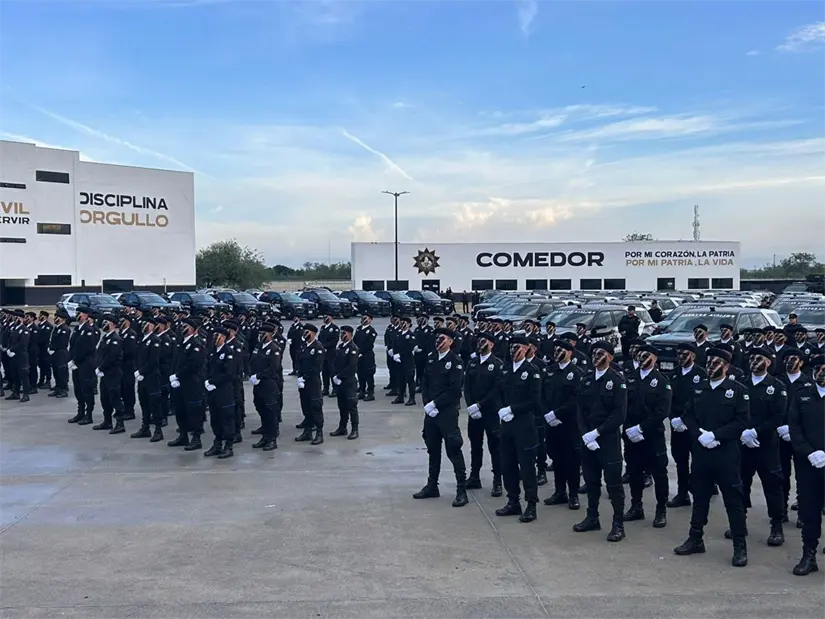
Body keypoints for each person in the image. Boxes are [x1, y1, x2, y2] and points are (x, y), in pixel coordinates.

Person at [675, 347, 750, 567]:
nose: (711, 366)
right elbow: (688, 414)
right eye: (709, 362)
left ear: (726, 367)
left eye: (717, 363)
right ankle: (695, 538)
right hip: (701, 451)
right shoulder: (699, 388)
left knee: (733, 499)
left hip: (725, 452)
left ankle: (739, 546)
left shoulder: (737, 390)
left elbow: (742, 421)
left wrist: (717, 435)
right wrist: (699, 435)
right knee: (699, 496)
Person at [574, 341, 628, 542]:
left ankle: (618, 524)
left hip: (607, 439)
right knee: (591, 481)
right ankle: (592, 517)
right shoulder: (587, 379)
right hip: (588, 440)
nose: (596, 356)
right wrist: (586, 434)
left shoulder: (617, 380)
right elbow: (579, 409)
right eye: (594, 353)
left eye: (601, 353)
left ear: (610, 357)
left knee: (613, 484)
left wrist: (597, 433)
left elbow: (618, 414)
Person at [735, 347, 787, 547]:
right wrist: (743, 433)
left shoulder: (776, 386)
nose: (754, 362)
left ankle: (776, 526)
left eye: (759, 359)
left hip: (766, 446)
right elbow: (735, 413)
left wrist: (755, 432)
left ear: (768, 362)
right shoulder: (741, 385)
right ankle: (740, 524)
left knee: (772, 487)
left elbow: (777, 417)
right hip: (743, 445)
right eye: (752, 359)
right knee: (740, 486)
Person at [413, 327, 468, 508]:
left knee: (453, 449)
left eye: (442, 339)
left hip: (447, 412)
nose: (438, 341)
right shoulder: (431, 359)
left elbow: (454, 391)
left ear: (451, 342)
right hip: (431, 412)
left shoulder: (455, 362)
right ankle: (432, 485)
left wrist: (436, 404)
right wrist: (428, 403)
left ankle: (461, 490)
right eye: (437, 338)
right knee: (432, 449)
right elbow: (425, 383)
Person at [622, 344, 671, 528]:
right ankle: (636, 506)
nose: (641, 358)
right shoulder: (630, 379)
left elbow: (661, 412)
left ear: (655, 359)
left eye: (646, 355)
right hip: (631, 436)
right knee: (634, 472)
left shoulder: (661, 381)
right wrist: (628, 429)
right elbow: (623, 406)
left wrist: (640, 429)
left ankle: (661, 510)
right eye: (640, 355)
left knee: (659, 473)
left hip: (652, 436)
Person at [495, 335, 542, 522]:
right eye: (512, 347)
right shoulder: (505, 369)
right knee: (508, 465)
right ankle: (513, 501)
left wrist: (513, 409)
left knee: (527, 467)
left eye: (518, 348)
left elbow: (534, 400)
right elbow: (498, 391)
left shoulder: (532, 371)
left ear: (527, 349)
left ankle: (531, 505)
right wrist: (501, 409)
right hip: (506, 425)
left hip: (524, 425)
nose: (514, 351)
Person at [788, 354, 825, 575]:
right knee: (810, 511)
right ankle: (809, 555)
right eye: (819, 368)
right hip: (808, 463)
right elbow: (795, 428)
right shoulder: (802, 396)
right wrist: (809, 453)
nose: (823, 372)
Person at [543, 339, 584, 510]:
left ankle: (573, 494)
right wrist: (548, 414)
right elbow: (542, 394)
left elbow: (576, 399)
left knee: (572, 461)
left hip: (569, 423)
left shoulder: (576, 373)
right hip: (551, 423)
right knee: (556, 458)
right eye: (556, 349)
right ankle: (560, 492)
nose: (557, 352)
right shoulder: (549, 371)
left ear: (569, 353)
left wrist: (557, 413)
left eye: (561, 350)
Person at [463, 332, 504, 497]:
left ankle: (497, 480)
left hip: (490, 412)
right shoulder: (472, 363)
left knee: (495, 446)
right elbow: (467, 386)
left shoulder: (497, 364)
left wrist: (480, 405)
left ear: (492, 345)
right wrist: (471, 405)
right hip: (474, 413)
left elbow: (496, 389)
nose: (480, 344)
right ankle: (474, 476)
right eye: (479, 341)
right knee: (475, 446)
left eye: (484, 341)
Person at [667, 343, 706, 508]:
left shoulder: (701, 374)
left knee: (698, 461)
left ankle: (702, 491)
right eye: (678, 354)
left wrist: (684, 419)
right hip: (677, 425)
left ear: (693, 356)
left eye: (685, 354)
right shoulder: (674, 374)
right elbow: (668, 399)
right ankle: (682, 493)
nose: (681, 357)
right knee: (680, 460)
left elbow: (700, 401)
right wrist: (673, 419)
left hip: (694, 424)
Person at [168, 317, 207, 451]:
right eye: (183, 325)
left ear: (194, 330)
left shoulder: (197, 344)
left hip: (192, 383)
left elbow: (194, 365)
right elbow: (176, 361)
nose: (183, 328)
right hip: (179, 383)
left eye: (186, 326)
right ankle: (183, 436)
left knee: (194, 411)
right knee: (180, 410)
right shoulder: (181, 342)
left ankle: (196, 438)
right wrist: (174, 376)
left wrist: (178, 376)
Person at [204, 326, 237, 459]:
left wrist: (213, 382)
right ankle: (217, 443)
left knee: (227, 418)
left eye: (218, 335)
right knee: (215, 418)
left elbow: (229, 373)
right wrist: (207, 381)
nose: (215, 338)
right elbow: (207, 368)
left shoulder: (228, 352)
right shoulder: (212, 352)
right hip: (212, 391)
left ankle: (228, 446)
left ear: (224, 337)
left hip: (224, 391)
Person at [130, 316, 164, 442]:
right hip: (141, 378)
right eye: (144, 323)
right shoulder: (142, 339)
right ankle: (145, 428)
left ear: (152, 326)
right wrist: (137, 370)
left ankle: (158, 430)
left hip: (151, 377)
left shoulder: (155, 340)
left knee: (154, 404)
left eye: (147, 324)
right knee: (144, 403)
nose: (144, 325)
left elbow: (153, 361)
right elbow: (137, 357)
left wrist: (141, 371)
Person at [249, 322, 281, 451]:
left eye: (263, 333)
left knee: (270, 411)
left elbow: (274, 368)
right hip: (258, 384)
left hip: (269, 384)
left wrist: (259, 376)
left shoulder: (274, 349)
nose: (260, 335)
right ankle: (265, 436)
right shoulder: (258, 347)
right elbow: (252, 361)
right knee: (260, 406)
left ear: (269, 334)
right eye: (260, 333)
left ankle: (272, 439)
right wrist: (252, 374)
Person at [93, 313, 126, 434]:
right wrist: (98, 367)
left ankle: (120, 423)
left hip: (113, 373)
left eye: (106, 322)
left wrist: (101, 368)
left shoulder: (116, 340)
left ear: (112, 324)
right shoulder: (105, 337)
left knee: (115, 398)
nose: (104, 324)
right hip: (104, 373)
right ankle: (107, 421)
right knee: (105, 399)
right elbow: (100, 354)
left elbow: (111, 357)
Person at [295, 322, 325, 445]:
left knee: (315, 407)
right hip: (303, 383)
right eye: (304, 331)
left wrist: (305, 378)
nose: (304, 334)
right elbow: (299, 362)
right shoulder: (304, 346)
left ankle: (319, 433)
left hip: (313, 383)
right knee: (306, 406)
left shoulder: (318, 347)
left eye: (307, 332)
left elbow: (317, 368)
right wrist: (299, 376)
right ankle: (307, 432)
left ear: (313, 333)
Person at [67, 307, 97, 424]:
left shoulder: (88, 330)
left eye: (79, 313)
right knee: (78, 390)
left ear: (85, 316)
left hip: (86, 364)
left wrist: (75, 360)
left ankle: (88, 415)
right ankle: (80, 412)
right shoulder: (77, 329)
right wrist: (71, 360)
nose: (77, 315)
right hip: (76, 364)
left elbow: (87, 349)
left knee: (87, 390)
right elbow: (73, 346)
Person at [330, 325, 360, 439]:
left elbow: (351, 366)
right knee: (342, 405)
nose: (342, 335)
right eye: (341, 333)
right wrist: (335, 376)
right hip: (340, 382)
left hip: (349, 381)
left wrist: (340, 376)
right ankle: (342, 427)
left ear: (350, 335)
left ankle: (355, 429)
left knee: (352, 405)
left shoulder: (353, 348)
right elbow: (335, 363)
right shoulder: (340, 347)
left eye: (344, 333)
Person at [391, 316, 417, 406]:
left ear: (409, 324)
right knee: (400, 379)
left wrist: (400, 354)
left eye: (404, 322)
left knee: (410, 379)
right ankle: (400, 396)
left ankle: (412, 398)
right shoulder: (398, 333)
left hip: (408, 360)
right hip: (399, 361)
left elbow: (409, 348)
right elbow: (394, 344)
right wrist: (395, 354)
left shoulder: (411, 335)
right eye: (401, 322)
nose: (402, 324)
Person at [47, 310, 71, 399]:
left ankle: (63, 389)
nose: (55, 319)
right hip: (54, 353)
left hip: (61, 353)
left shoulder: (65, 329)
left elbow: (62, 342)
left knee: (62, 372)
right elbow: (52, 340)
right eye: (55, 317)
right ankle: (57, 388)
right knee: (56, 371)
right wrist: (50, 347)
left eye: (58, 317)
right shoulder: (56, 328)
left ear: (63, 319)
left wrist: (53, 348)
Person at [118, 315, 138, 420]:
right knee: (121, 388)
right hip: (121, 365)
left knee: (128, 388)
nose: (121, 322)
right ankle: (123, 409)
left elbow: (130, 351)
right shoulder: (121, 333)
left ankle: (130, 411)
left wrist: (119, 355)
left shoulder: (131, 334)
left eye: (124, 320)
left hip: (128, 365)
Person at [354, 314, 377, 401]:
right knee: (360, 373)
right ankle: (362, 391)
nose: (364, 319)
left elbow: (369, 344)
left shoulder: (371, 331)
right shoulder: (359, 328)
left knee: (369, 374)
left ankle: (370, 393)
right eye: (363, 318)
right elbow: (355, 340)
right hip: (358, 355)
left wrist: (361, 351)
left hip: (367, 355)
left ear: (370, 320)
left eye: (366, 318)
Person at [319, 313, 340, 397]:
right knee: (324, 371)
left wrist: (325, 346)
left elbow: (334, 340)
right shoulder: (323, 328)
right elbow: (320, 339)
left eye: (327, 317)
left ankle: (335, 389)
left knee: (332, 371)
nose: (325, 318)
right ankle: (326, 389)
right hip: (324, 353)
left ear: (331, 318)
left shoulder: (334, 328)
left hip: (331, 352)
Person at [36, 311, 53, 390]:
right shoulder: (39, 325)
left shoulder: (48, 326)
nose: (39, 317)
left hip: (45, 348)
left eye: (41, 315)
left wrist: (37, 342)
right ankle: (41, 380)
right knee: (41, 365)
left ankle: (48, 381)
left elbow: (45, 338)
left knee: (46, 365)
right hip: (39, 349)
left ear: (45, 317)